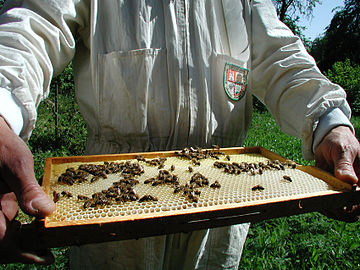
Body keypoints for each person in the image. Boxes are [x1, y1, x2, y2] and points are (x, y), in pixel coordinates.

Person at [0, 0, 359, 268]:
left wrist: (328, 120)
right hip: (113, 219)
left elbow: (279, 54)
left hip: (223, 206)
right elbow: (33, 25)